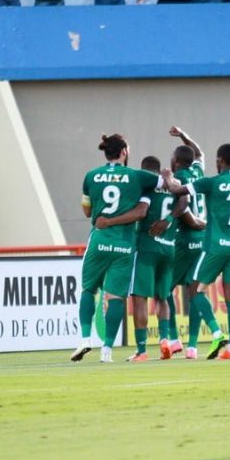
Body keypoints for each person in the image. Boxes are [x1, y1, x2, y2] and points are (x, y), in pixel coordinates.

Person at [70, 134, 165, 364]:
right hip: (124, 245)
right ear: (123, 152)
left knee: (88, 290)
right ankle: (107, 350)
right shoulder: (136, 176)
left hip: (99, 240)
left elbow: (86, 211)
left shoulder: (91, 176)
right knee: (115, 297)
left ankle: (84, 338)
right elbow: (166, 185)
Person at [162, 143, 230, 360]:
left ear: (220, 160)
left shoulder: (211, 183)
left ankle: (216, 331)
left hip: (215, 247)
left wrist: (166, 176)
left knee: (195, 290)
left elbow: (176, 190)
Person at [119, 156, 202, 362]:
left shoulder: (147, 187)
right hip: (169, 250)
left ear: (145, 171)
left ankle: (142, 350)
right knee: (162, 297)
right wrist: (169, 220)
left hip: (146, 247)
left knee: (139, 298)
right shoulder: (174, 187)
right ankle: (165, 340)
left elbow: (142, 211)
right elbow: (185, 202)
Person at [167, 127, 214, 360]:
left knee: (163, 288)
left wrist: (188, 222)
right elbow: (200, 152)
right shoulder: (199, 172)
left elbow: (182, 206)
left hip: (185, 240)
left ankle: (174, 338)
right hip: (202, 241)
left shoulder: (177, 180)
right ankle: (193, 346)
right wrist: (184, 134)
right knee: (194, 291)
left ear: (175, 161)